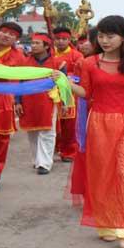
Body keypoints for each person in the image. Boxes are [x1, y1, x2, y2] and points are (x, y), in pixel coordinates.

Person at [63, 15, 124, 248]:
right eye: (101, 35)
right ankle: (107, 224)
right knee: (102, 173)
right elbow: (85, 92)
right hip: (98, 123)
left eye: (110, 36)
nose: (104, 40)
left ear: (123, 37)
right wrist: (62, 81)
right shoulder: (90, 63)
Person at [0, 21, 26, 192]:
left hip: (2, 99)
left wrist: (18, 100)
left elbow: (19, 79)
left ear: (16, 39)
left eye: (12, 35)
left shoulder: (19, 57)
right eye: (4, 32)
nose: (7, 36)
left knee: (0, 141)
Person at [17, 33, 61, 175]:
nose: (33, 46)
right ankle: (37, 160)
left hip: (48, 101)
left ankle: (45, 163)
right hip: (28, 100)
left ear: (46, 46)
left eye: (37, 43)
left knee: (48, 132)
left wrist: (65, 103)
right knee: (32, 132)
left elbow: (64, 84)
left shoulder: (57, 63)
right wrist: (17, 101)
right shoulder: (25, 62)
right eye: (32, 43)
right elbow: (19, 82)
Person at [53, 27, 83, 163]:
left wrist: (66, 77)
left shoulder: (76, 55)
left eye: (64, 39)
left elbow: (80, 75)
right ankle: (54, 148)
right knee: (53, 123)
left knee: (69, 124)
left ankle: (68, 151)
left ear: (69, 40)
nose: (60, 42)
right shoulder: (50, 54)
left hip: (68, 94)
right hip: (51, 93)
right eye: (58, 39)